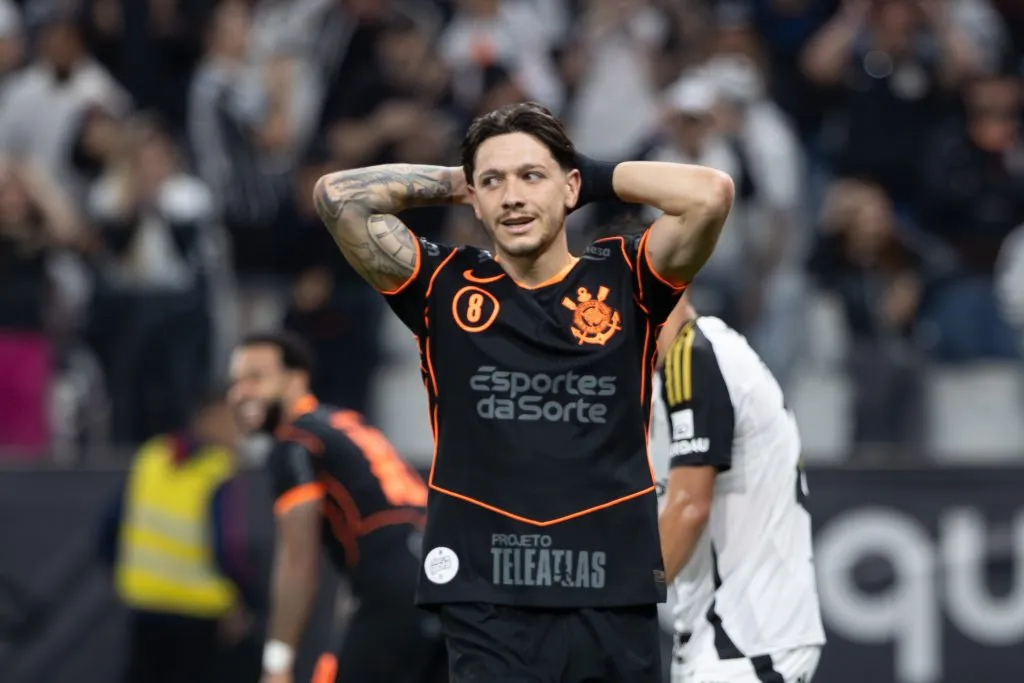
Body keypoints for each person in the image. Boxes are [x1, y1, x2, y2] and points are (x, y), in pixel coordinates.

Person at [312, 101, 734, 683]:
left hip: (608, 590)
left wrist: (588, 175)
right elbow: (337, 196)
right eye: (494, 183)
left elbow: (710, 193)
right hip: (488, 598)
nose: (512, 196)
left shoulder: (626, 277)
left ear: (571, 189)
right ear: (476, 201)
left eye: (531, 177)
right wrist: (465, 183)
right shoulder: (441, 285)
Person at [226, 331, 443, 683]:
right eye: (234, 382)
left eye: (256, 378)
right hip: (444, 581)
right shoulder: (344, 425)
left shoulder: (297, 441)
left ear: (296, 378)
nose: (240, 393)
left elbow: (297, 559)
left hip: (395, 592)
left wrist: (277, 662)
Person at [652, 295, 826, 683]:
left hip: (745, 646)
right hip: (724, 643)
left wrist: (617, 594)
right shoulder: (694, 360)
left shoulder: (693, 354)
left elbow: (689, 508)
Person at [101, 388, 262, 683]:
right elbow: (227, 549)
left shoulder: (152, 455)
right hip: (198, 614)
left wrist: (120, 572)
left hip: (146, 605)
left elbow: (109, 528)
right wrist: (248, 600)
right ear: (204, 418)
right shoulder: (218, 470)